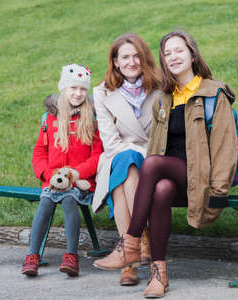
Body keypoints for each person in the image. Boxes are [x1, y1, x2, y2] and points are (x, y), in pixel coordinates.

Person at [93, 31, 238, 298]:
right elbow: (157, 144)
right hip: (173, 176)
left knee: (151, 165)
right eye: (167, 53)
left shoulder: (212, 93)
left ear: (192, 54)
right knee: (160, 189)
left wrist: (219, 190)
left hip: (201, 177)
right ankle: (159, 275)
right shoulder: (165, 98)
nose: (173, 57)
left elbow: (226, 147)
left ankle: (130, 241)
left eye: (179, 51)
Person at [91, 33, 162, 286]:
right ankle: (140, 238)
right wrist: (132, 151)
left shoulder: (161, 89)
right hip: (116, 158)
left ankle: (128, 259)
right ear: (116, 62)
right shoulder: (101, 92)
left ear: (144, 59)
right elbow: (110, 143)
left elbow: (159, 139)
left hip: (152, 160)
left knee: (127, 167)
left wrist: (135, 151)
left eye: (136, 56)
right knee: (126, 163)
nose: (132, 61)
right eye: (125, 57)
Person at [22, 64, 103, 277]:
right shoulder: (49, 119)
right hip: (53, 180)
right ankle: (32, 256)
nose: (78, 93)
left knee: (69, 200)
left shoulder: (92, 118)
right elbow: (39, 152)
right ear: (63, 89)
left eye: (83, 89)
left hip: (80, 182)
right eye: (73, 88)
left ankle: (71, 256)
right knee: (46, 202)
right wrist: (49, 176)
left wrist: (76, 174)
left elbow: (97, 156)